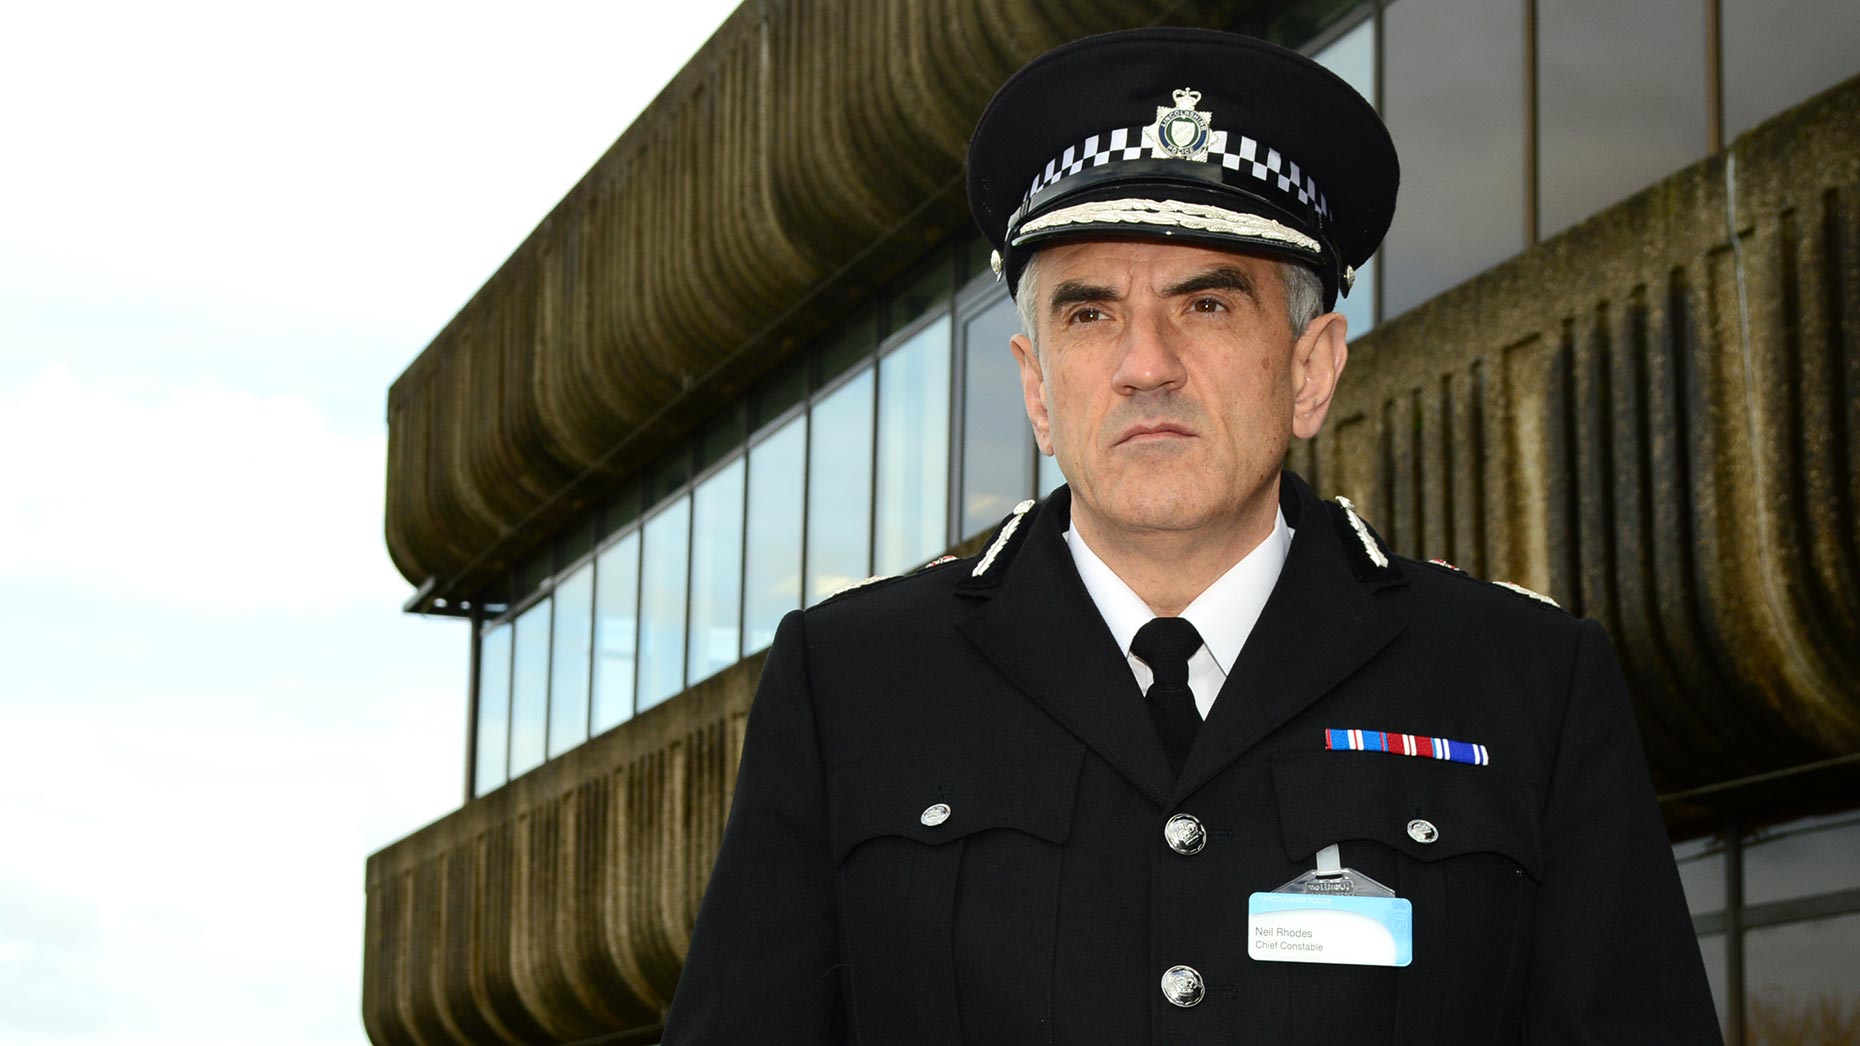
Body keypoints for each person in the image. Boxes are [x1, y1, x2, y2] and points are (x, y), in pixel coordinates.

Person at [663, 27, 1720, 1045]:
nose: (1146, 364)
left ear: (1311, 368)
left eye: (1207, 305)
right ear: (1037, 389)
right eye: (1089, 315)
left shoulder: (1524, 683)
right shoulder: (853, 683)